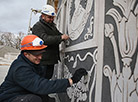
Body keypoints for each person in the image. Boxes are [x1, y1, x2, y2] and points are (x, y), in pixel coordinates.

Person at [0, 35, 87, 102]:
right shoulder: (20, 69)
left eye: (41, 53)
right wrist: (71, 80)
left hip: (23, 92)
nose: (40, 57)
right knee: (34, 100)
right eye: (36, 54)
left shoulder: (32, 62)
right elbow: (41, 86)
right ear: (26, 54)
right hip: (9, 98)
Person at [32, 4, 69, 80]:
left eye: (53, 17)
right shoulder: (38, 26)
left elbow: (58, 34)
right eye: (49, 17)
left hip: (50, 60)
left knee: (47, 79)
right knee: (40, 81)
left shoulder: (52, 26)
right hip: (42, 60)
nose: (51, 19)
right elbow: (44, 39)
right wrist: (60, 37)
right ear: (43, 16)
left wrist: (63, 36)